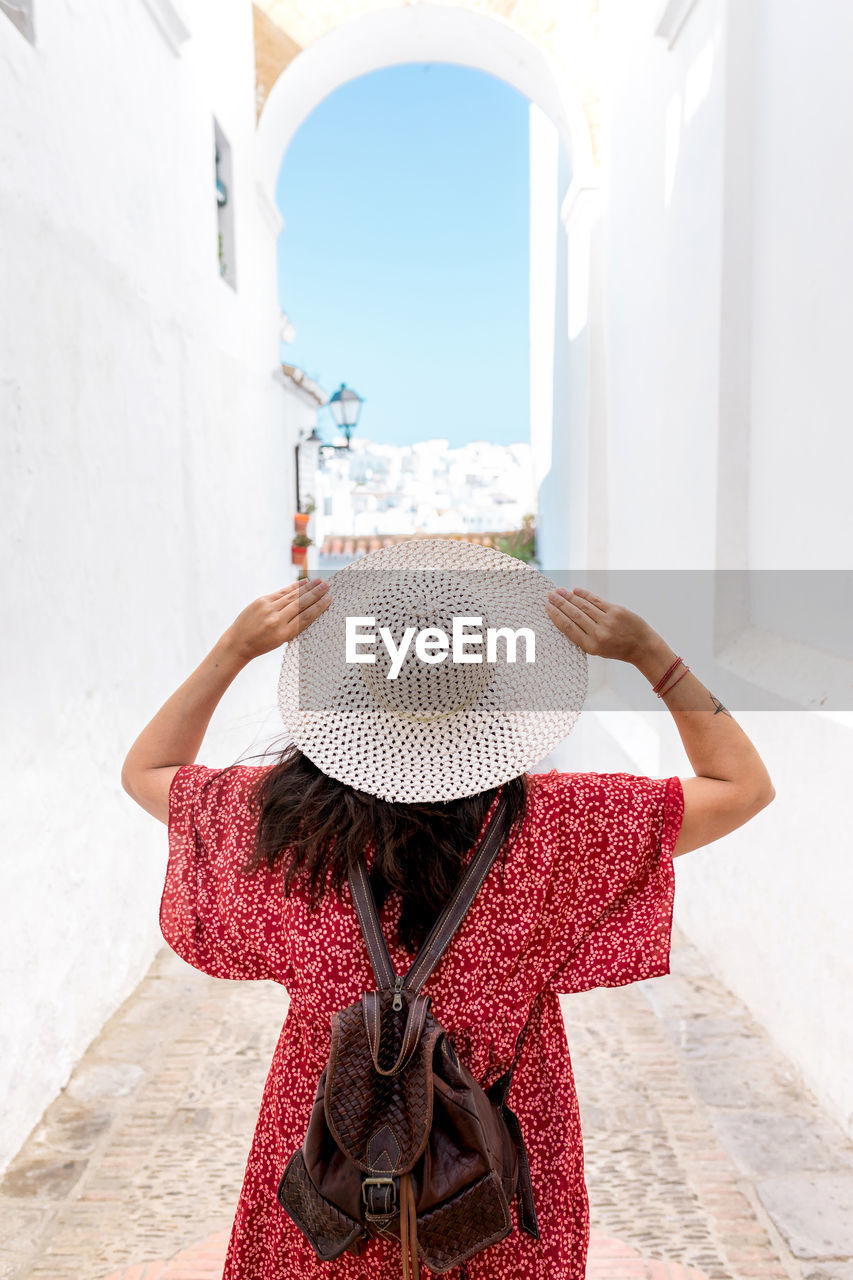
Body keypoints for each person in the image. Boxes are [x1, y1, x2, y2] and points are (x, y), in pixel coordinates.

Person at [121, 539, 775, 1280]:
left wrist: (236, 647)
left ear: (346, 696)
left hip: (330, 1170)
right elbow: (741, 785)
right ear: (489, 698)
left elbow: (147, 770)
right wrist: (655, 657)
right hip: (488, 1185)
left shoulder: (275, 828)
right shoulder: (560, 831)